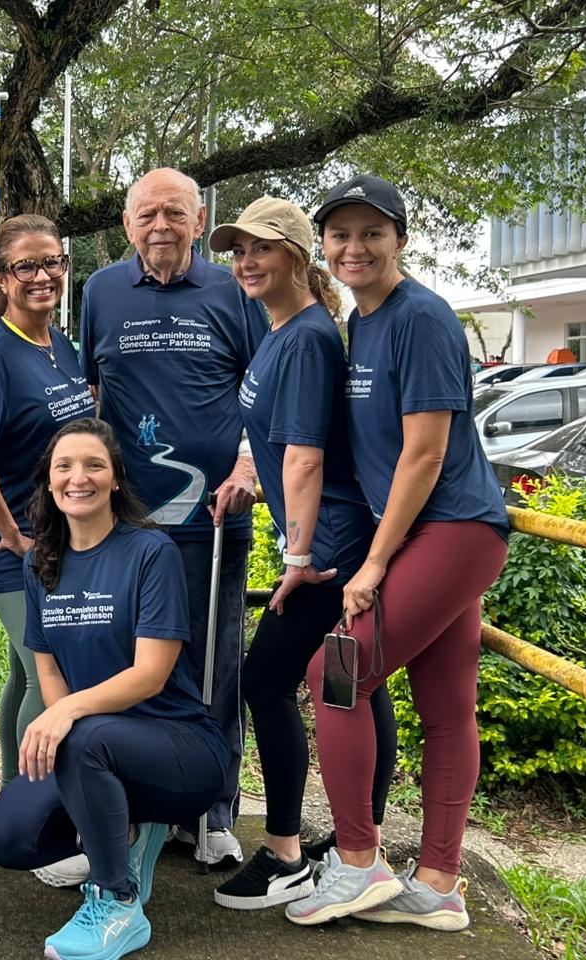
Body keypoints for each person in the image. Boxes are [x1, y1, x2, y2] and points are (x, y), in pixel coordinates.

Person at [284, 175, 509, 930]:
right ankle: (439, 883)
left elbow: (423, 454)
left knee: (334, 671)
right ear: (324, 244)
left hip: (452, 528)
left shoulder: (422, 318)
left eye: (372, 233)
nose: (354, 247)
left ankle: (356, 862)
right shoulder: (363, 322)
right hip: (429, 533)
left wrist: (373, 564)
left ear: (400, 241)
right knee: (446, 709)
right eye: (340, 234)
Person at [204, 197, 398, 910]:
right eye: (237, 251)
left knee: (266, 680)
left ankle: (286, 852)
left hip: (332, 552)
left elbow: (310, 460)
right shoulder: (282, 331)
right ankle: (362, 837)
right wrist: (247, 481)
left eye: (261, 249)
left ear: (295, 257)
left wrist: (298, 554)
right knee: (354, 683)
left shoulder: (310, 337)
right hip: (322, 544)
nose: (246, 262)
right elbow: (279, 443)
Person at [0, 418, 228, 960]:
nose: (79, 478)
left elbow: (151, 674)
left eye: (95, 465)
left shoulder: (149, 551)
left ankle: (117, 901)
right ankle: (128, 831)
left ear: (115, 478)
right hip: (93, 743)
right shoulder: (38, 561)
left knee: (84, 739)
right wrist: (62, 715)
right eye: (64, 466)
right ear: (49, 481)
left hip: (180, 745)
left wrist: (66, 715)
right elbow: (47, 670)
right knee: (7, 834)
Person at [78, 167, 268, 865]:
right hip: (124, 526)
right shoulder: (99, 291)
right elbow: (92, 396)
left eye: (175, 213)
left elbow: (265, 392)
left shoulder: (231, 288)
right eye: (147, 214)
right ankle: (133, 807)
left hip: (211, 525)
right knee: (131, 664)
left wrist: (249, 469)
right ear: (126, 226)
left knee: (215, 661)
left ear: (198, 219)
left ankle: (212, 811)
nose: (161, 225)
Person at [0, 215, 94, 871]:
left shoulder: (59, 343)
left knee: (19, 672)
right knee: (47, 672)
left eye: (51, 262)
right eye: (25, 267)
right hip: (14, 554)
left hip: (58, 546)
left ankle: (14, 802)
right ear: (2, 278)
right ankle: (40, 828)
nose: (42, 276)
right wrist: (14, 533)